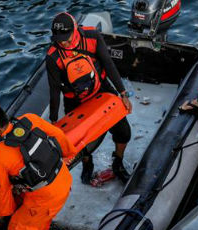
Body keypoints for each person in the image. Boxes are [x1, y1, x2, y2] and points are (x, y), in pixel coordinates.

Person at [46, 12, 133, 184]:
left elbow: (108, 63)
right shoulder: (53, 56)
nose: (64, 42)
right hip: (76, 101)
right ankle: (87, 164)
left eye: (67, 37)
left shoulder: (92, 37)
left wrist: (123, 93)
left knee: (124, 132)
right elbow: (54, 90)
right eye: (59, 38)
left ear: (75, 29)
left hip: (102, 90)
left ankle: (118, 162)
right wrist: (53, 121)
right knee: (83, 144)